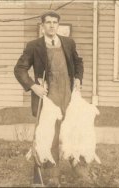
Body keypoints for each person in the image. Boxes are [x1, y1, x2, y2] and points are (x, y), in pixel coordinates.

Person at [14, 10, 89, 186]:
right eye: (48, 22)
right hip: (48, 99)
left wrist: (78, 78)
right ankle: (53, 174)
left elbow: (78, 62)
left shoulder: (68, 43)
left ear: (58, 25)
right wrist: (34, 86)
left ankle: (77, 166)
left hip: (68, 97)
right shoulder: (34, 46)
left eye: (55, 22)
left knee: (72, 132)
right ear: (42, 26)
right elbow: (19, 69)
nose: (52, 25)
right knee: (51, 135)